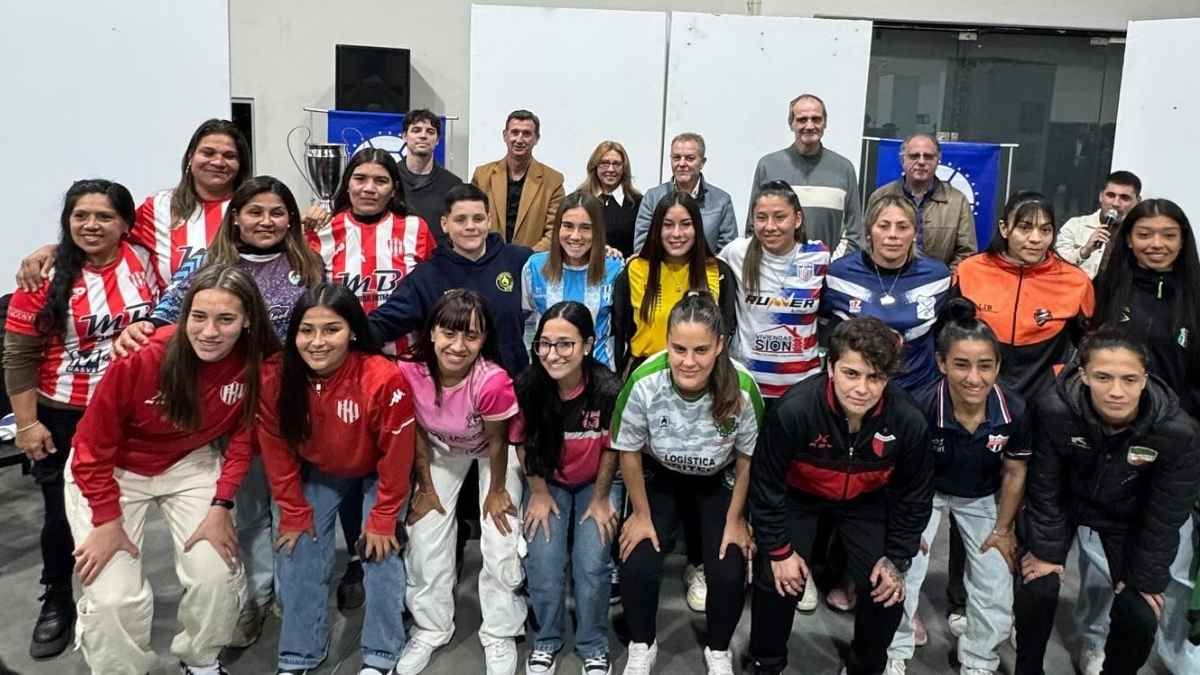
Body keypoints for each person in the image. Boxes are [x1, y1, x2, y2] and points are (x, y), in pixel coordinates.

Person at [112, 175, 325, 646]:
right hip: (229, 411)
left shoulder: (309, 265)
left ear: (290, 218)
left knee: (291, 504)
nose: (266, 221)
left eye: (276, 212)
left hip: (292, 406)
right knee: (247, 511)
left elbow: (321, 330)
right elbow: (169, 312)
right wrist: (142, 327)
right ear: (236, 218)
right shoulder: (208, 264)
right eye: (255, 212)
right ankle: (250, 596)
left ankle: (291, 597)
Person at [63, 264, 277, 675]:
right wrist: (107, 520)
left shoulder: (257, 365)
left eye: (226, 319)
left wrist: (221, 505)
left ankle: (200, 660)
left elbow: (242, 441)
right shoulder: (141, 358)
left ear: (248, 320)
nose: (209, 331)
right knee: (112, 596)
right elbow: (91, 448)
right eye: (199, 316)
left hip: (190, 462)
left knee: (215, 574)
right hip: (111, 471)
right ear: (184, 315)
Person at [3, 179, 158, 660]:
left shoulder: (144, 258)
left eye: (104, 216)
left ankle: (119, 600)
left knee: (123, 508)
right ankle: (56, 598)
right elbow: (19, 357)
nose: (91, 225)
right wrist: (28, 424)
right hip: (63, 415)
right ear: (67, 223)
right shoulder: (43, 278)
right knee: (59, 515)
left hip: (132, 413)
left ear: (126, 225)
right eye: (80, 216)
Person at [748, 316, 933, 675]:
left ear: (888, 379)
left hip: (867, 501)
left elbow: (915, 495)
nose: (862, 388)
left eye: (875, 377)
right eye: (852, 373)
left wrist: (897, 555)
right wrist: (779, 551)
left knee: (887, 588)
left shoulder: (908, 420)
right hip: (799, 496)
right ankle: (766, 663)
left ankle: (865, 667)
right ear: (830, 367)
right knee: (777, 579)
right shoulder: (795, 409)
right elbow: (766, 483)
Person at [1014, 328, 1200, 675]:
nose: (1117, 391)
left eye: (1129, 379)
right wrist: (1048, 553)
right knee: (1036, 587)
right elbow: (1044, 485)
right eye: (1103, 377)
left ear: (1145, 379)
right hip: (1066, 503)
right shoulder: (1053, 408)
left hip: (1129, 514)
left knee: (1141, 611)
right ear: (1083, 375)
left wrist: (1144, 577)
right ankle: (1028, 669)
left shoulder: (1177, 432)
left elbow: (1166, 514)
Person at [257, 284, 417, 675]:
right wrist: (293, 512)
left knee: (380, 551)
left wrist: (382, 518)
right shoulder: (276, 377)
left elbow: (397, 456)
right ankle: (299, 654)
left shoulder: (382, 377)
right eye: (306, 330)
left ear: (354, 332)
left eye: (331, 329)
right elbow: (276, 451)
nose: (317, 342)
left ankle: (381, 655)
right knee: (296, 549)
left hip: (377, 471)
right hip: (321, 472)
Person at [1072, 198, 1200, 675]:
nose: (1156, 244)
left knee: (1174, 555)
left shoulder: (1195, 294)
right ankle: (1093, 638)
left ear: (1182, 240)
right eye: (1145, 234)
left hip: (1175, 445)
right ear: (1128, 239)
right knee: (1099, 558)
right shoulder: (1107, 289)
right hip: (1108, 440)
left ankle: (1175, 648)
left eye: (1168, 234)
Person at [611, 292, 763, 674]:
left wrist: (736, 520)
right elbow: (627, 450)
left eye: (700, 350)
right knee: (637, 561)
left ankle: (718, 648)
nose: (689, 361)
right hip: (661, 479)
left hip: (717, 482)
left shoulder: (744, 388)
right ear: (667, 342)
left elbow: (747, 459)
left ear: (720, 346)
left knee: (730, 570)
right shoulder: (644, 380)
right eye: (679, 348)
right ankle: (642, 643)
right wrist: (641, 514)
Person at [884, 298, 1030, 675]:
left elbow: (1014, 472)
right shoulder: (921, 408)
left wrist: (1003, 529)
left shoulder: (1015, 410)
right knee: (904, 569)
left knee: (996, 580)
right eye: (961, 365)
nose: (973, 378)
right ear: (941, 364)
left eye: (985, 366)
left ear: (998, 367)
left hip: (981, 495)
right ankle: (894, 650)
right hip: (926, 493)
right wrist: (907, 526)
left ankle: (980, 659)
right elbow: (906, 472)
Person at [392, 289, 524, 675]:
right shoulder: (409, 371)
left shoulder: (492, 380)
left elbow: (498, 441)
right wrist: (426, 486)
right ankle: (431, 627)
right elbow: (414, 429)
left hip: (493, 453)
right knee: (423, 531)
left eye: (471, 335)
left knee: (500, 536)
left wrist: (497, 491)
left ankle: (500, 631)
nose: (458, 345)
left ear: (484, 340)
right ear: (431, 332)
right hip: (441, 447)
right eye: (449, 333)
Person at [512, 301, 623, 675]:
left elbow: (613, 448)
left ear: (588, 345)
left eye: (565, 344)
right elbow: (523, 444)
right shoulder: (528, 384)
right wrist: (539, 494)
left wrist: (602, 497)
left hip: (596, 483)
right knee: (543, 560)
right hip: (549, 481)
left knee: (592, 563)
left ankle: (593, 642)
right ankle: (546, 639)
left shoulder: (608, 387)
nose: (552, 354)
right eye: (544, 343)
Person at [15, 119, 250, 291]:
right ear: (190, 158)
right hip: (169, 329)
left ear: (241, 164)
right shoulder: (158, 206)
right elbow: (106, 236)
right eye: (208, 152)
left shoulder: (253, 207)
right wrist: (53, 249)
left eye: (230, 156)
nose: (218, 162)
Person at [370, 184, 533, 375]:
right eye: (460, 220)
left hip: (513, 387)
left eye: (478, 219)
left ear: (489, 221)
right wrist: (343, 330)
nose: (470, 226)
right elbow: (384, 323)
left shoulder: (519, 260)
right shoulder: (426, 277)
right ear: (445, 224)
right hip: (451, 393)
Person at [953, 191, 1094, 400]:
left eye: (1045, 230)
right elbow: (949, 336)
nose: (1036, 239)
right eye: (1025, 228)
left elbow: (1090, 346)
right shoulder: (968, 271)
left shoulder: (1076, 282)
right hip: (979, 393)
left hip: (1045, 398)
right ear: (1004, 228)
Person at [305, 147, 437, 355]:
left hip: (406, 358)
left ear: (394, 189)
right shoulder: (323, 233)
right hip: (343, 359)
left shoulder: (416, 228)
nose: (369, 188)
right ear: (347, 185)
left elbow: (431, 295)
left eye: (380, 181)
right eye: (360, 179)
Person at [821, 194, 951, 399]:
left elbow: (946, 335)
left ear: (915, 233)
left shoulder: (938, 277)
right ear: (869, 232)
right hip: (856, 392)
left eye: (902, 227)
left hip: (917, 392)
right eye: (883, 226)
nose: (893, 235)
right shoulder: (839, 274)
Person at [718, 180, 829, 400]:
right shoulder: (736, 252)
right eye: (761, 217)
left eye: (780, 217)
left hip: (803, 388)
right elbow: (698, 268)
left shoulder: (818, 255)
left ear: (797, 219)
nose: (770, 226)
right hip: (748, 386)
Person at [747, 94, 863, 256]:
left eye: (816, 119)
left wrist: (826, 267)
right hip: (776, 274)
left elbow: (854, 234)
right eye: (802, 120)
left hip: (828, 275)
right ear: (791, 124)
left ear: (825, 123)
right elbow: (754, 227)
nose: (809, 126)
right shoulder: (768, 166)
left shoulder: (844, 168)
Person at [522, 191, 623, 368]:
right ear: (557, 228)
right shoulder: (534, 267)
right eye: (568, 226)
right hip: (547, 373)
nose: (575, 236)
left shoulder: (615, 268)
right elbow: (526, 324)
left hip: (598, 376)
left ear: (597, 231)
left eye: (585, 227)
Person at [866, 134, 976, 268]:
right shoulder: (881, 197)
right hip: (887, 283)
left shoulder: (957, 202)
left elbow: (966, 253)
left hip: (938, 285)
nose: (922, 162)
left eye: (929, 157)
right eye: (914, 156)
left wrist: (944, 281)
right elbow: (867, 244)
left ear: (938, 160)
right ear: (902, 159)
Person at [471, 109, 565, 250]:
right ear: (505, 135)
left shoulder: (553, 181)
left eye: (526, 134)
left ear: (536, 138)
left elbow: (555, 230)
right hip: (487, 261)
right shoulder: (482, 175)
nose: (519, 139)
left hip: (531, 263)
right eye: (515, 132)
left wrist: (526, 258)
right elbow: (473, 220)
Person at [633, 133, 738, 255]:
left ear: (702, 162)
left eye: (690, 158)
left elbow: (727, 253)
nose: (682, 164)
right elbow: (642, 247)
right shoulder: (652, 197)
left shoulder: (721, 201)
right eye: (676, 158)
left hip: (705, 272)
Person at [1054, 170, 1141, 279]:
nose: (1116, 203)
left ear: (1137, 201)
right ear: (1101, 196)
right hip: (1079, 292)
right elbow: (1056, 266)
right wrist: (1085, 251)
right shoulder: (1075, 225)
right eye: (1110, 195)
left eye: (1124, 198)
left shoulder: (1140, 234)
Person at [395, 109, 464, 240]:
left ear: (437, 140)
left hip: (438, 258)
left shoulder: (453, 185)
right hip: (396, 257)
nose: (423, 136)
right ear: (404, 136)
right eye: (416, 130)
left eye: (430, 131)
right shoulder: (390, 178)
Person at [580, 140, 643, 257]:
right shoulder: (579, 199)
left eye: (616, 164)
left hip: (623, 271)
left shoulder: (638, 203)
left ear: (624, 168)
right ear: (595, 166)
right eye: (604, 163)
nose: (611, 169)